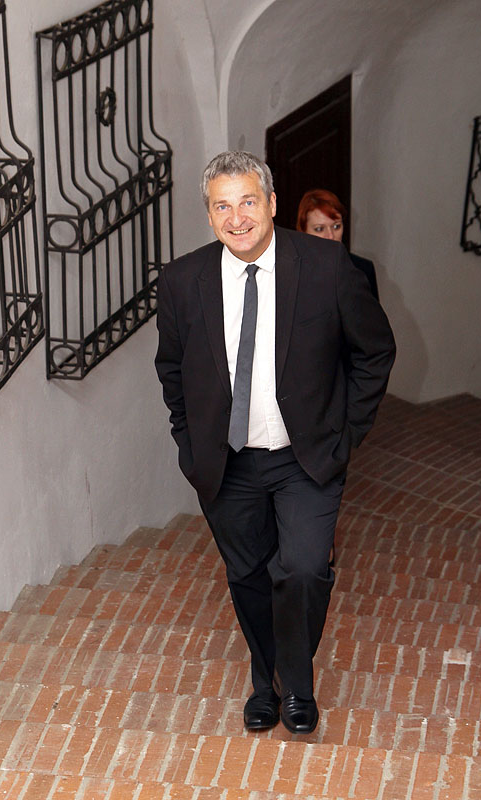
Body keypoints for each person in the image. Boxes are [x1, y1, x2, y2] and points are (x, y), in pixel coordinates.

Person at [155, 151, 395, 735]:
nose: (236, 218)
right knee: (248, 578)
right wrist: (190, 443)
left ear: (271, 203)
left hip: (305, 459)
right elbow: (173, 370)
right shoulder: (183, 280)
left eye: (247, 202)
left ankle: (296, 682)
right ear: (209, 215)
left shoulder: (326, 266)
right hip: (226, 463)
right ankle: (268, 684)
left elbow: (374, 351)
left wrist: (346, 432)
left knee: (305, 569)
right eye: (222, 206)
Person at [297, 188, 379, 300]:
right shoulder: (290, 271)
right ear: (303, 231)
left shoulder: (362, 269)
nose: (330, 236)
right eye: (319, 229)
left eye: (336, 226)